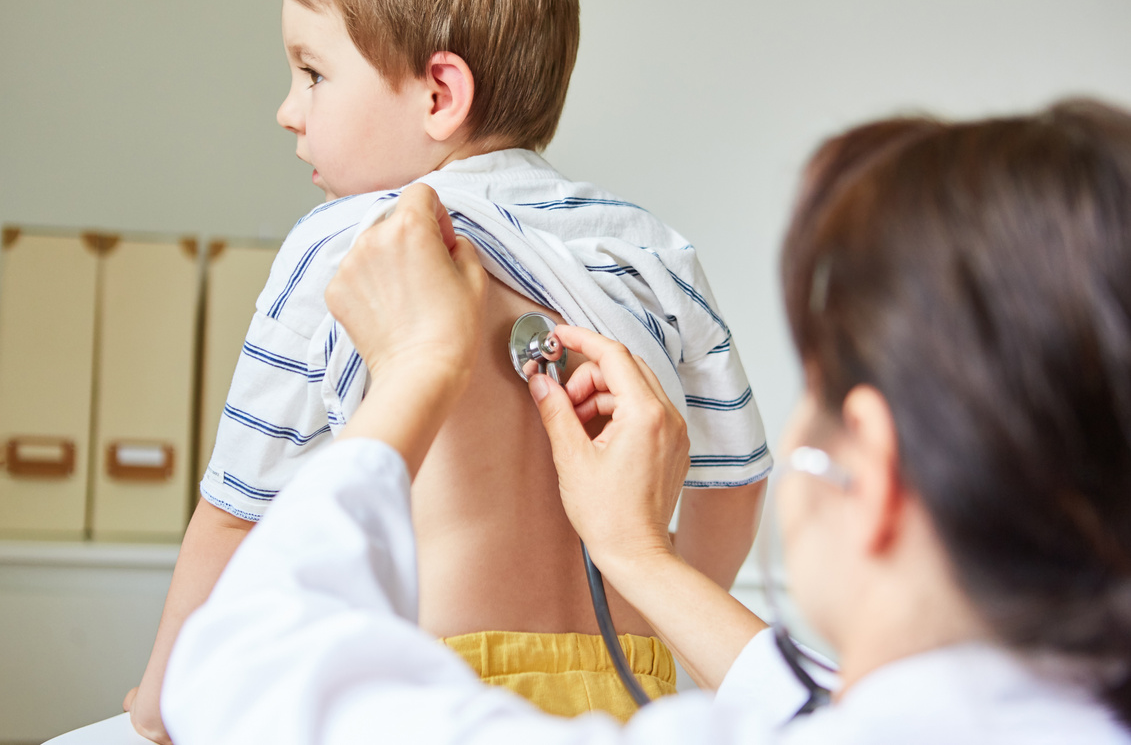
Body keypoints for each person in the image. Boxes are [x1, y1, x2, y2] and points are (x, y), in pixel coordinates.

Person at [164, 98, 1131, 743]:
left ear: (868, 474)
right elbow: (805, 708)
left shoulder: (340, 244)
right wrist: (633, 554)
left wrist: (417, 370)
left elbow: (239, 668)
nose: (290, 108)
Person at [124, 0, 771, 739]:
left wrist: (162, 693)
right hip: (634, 683)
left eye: (311, 72)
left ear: (441, 95)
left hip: (428, 690)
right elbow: (736, 480)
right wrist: (666, 641)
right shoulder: (652, 248)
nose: (287, 110)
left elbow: (236, 513)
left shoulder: (343, 247)